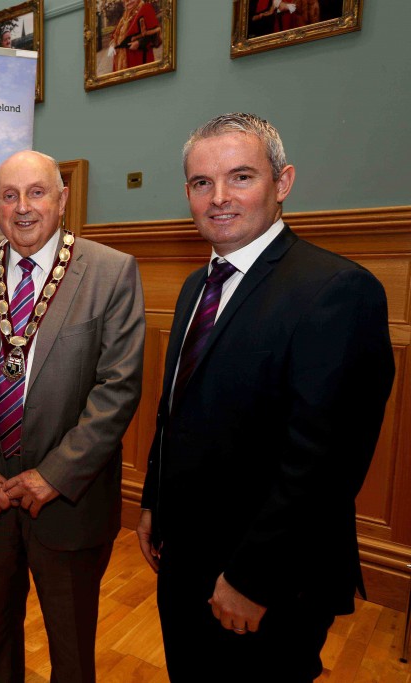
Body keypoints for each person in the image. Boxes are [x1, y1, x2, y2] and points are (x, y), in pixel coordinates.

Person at [137, 113, 395, 682]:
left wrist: (255, 578)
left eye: (241, 177)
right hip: (187, 559)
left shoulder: (336, 291)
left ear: (283, 183)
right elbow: (176, 411)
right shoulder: (196, 285)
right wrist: (155, 502)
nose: (219, 198)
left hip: (267, 581)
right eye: (202, 183)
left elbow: (324, 464)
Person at [0, 150, 145, 683]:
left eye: (36, 192)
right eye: (9, 196)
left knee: (71, 653)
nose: (23, 208)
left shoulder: (111, 272)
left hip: (69, 504)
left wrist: (54, 475)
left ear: (62, 199)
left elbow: (116, 391)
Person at [107, 0, 161, 71]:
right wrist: (112, 44)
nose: (128, 2)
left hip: (137, 58)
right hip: (120, 58)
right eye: (126, 1)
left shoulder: (145, 8)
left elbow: (155, 34)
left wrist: (139, 43)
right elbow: (116, 34)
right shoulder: (125, 15)